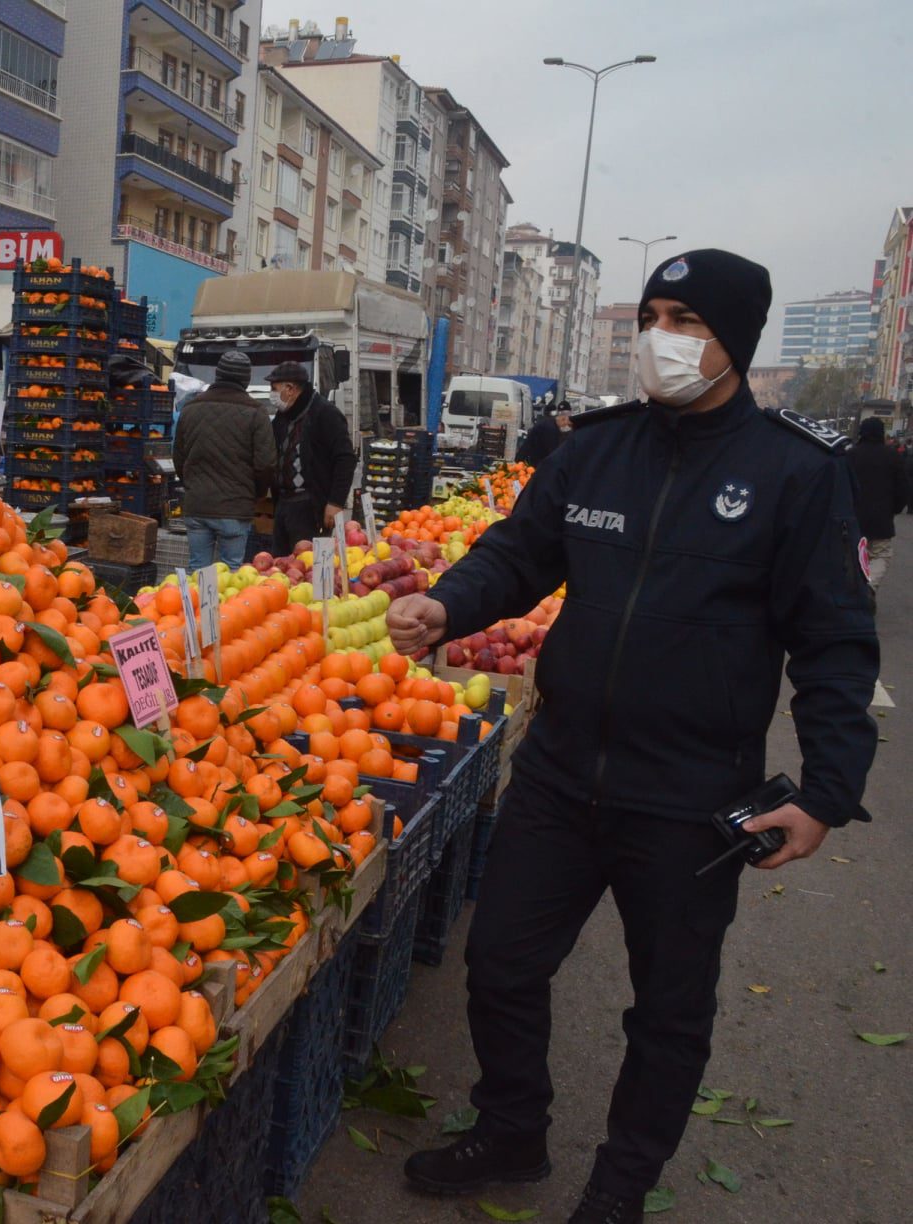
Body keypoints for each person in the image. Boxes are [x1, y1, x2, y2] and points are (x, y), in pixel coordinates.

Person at [386, 250, 878, 1224]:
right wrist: (447, 605)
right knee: (503, 965)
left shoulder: (793, 475)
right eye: (653, 314)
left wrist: (826, 790)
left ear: (731, 338)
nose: (663, 337)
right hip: (561, 775)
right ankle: (514, 1128)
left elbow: (834, 646)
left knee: (668, 1010)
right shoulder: (595, 450)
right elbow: (518, 554)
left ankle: (621, 1182)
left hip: (692, 800)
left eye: (686, 320)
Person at [172, 350, 275, 567]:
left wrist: (191, 485)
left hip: (198, 504)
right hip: (236, 507)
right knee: (231, 575)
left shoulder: (190, 409)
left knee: (198, 571)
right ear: (246, 379)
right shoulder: (256, 412)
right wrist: (255, 495)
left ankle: (195, 601)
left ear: (217, 375)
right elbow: (265, 463)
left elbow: (179, 457)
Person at [267, 359, 355, 554]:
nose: (271, 394)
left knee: (306, 564)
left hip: (309, 504)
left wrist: (335, 502)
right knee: (280, 564)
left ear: (290, 389)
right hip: (283, 502)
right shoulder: (282, 417)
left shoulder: (325, 413)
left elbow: (345, 458)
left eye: (274, 388)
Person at [847, 416, 908, 587]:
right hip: (882, 518)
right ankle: (870, 586)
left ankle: (857, 591)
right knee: (881, 555)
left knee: (854, 555)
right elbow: (903, 489)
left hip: (853, 518)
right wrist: (894, 509)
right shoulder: (893, 456)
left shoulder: (850, 455)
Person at [521, 401, 574, 467]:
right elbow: (551, 453)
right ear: (563, 419)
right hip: (530, 463)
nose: (568, 426)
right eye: (568, 424)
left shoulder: (552, 425)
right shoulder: (549, 429)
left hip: (533, 462)